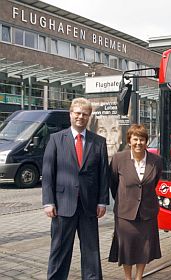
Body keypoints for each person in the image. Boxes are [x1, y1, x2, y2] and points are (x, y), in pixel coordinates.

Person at [42, 97, 109, 280]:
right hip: (63, 206)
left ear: (89, 117)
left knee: (91, 251)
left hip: (89, 206)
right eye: (77, 113)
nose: (81, 117)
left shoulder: (99, 142)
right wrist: (48, 202)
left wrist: (103, 201)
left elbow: (103, 174)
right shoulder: (56, 139)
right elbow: (48, 173)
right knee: (59, 250)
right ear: (71, 114)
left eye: (85, 114)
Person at [108, 124, 162, 280]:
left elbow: (154, 182)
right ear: (129, 140)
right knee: (127, 247)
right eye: (135, 139)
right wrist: (123, 199)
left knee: (143, 247)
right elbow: (113, 183)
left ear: (146, 141)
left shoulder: (156, 161)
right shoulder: (119, 158)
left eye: (142, 139)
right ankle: (128, 277)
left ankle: (139, 276)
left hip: (147, 212)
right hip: (125, 213)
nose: (139, 143)